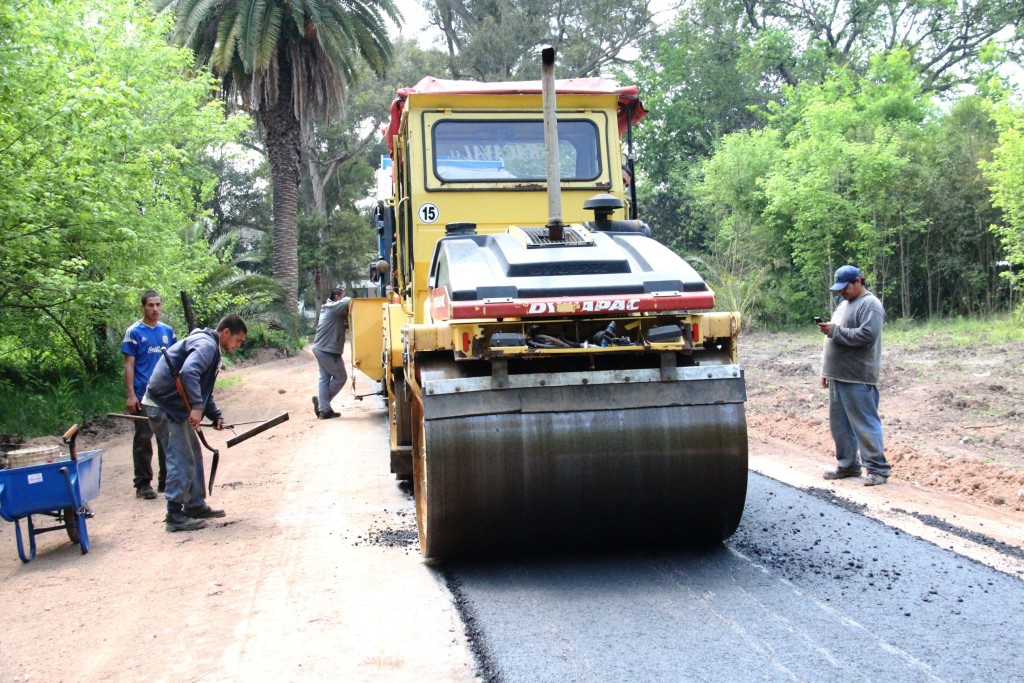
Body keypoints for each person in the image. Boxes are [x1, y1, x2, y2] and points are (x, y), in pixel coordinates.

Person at [143, 314, 247, 532]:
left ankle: (195, 506)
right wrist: (198, 409)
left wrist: (214, 414)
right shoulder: (206, 345)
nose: (238, 345)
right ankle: (174, 515)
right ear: (226, 332)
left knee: (193, 453)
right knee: (181, 457)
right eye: (238, 340)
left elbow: (201, 386)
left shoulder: (210, 347)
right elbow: (188, 372)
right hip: (163, 405)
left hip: (172, 406)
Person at [817, 265, 891, 486]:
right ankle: (848, 465)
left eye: (844, 287)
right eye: (838, 289)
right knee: (839, 425)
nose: (841, 292)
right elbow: (831, 338)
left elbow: (867, 335)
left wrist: (834, 331)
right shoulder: (843, 305)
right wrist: (825, 369)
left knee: (865, 423)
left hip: (858, 376)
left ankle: (878, 470)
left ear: (858, 281)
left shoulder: (871, 305)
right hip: (837, 375)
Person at [121, 290, 176, 499]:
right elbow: (129, 364)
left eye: (158, 305)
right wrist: (131, 395)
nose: (155, 309)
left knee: (167, 438)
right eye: (150, 305)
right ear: (143, 307)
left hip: (166, 395)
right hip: (144, 394)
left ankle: (167, 481)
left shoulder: (168, 332)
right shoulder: (134, 332)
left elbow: (175, 362)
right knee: (144, 438)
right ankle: (143, 484)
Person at [311, 287, 351, 420]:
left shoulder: (332, 309)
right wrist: (353, 301)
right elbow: (347, 301)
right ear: (337, 297)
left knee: (324, 379)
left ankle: (324, 410)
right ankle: (323, 405)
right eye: (342, 295)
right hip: (326, 350)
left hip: (322, 348)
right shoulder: (332, 307)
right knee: (341, 377)